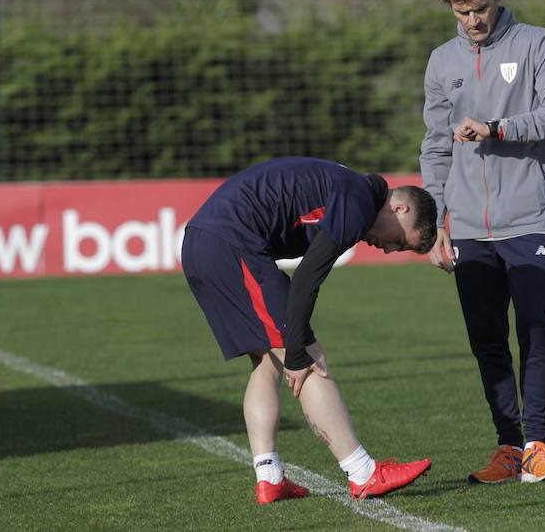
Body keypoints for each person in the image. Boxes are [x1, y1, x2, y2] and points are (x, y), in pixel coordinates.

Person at [181, 157, 437, 504]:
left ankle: (269, 477)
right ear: (399, 208)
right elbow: (306, 278)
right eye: (401, 242)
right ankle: (363, 473)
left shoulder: (353, 191)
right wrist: (299, 349)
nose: (390, 249)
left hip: (204, 241)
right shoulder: (360, 200)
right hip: (229, 242)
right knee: (309, 358)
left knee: (267, 360)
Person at [420, 0, 545, 485]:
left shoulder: (540, 44)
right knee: (486, 338)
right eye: (460, 11)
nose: (472, 21)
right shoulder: (442, 62)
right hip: (467, 228)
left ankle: (539, 444)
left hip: (530, 218)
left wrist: (498, 126)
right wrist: (435, 223)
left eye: (480, 9)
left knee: (535, 330)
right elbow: (436, 145)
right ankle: (509, 447)